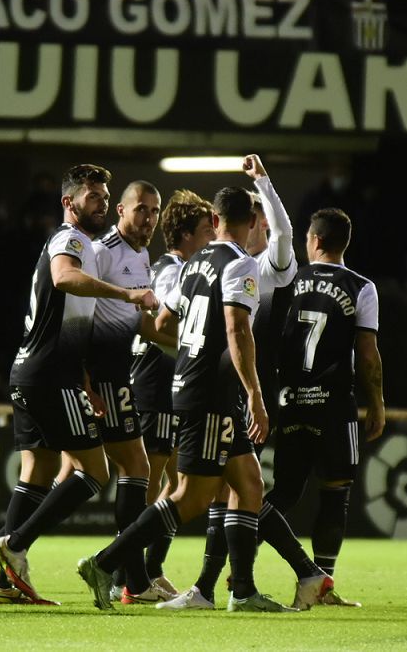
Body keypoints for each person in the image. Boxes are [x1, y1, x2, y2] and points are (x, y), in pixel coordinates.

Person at [79, 186, 295, 613]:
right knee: (191, 498)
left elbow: (161, 319)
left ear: (215, 221)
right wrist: (255, 396)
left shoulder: (193, 264)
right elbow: (237, 331)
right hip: (213, 395)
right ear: (251, 222)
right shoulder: (240, 265)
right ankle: (105, 563)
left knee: (249, 482)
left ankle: (243, 591)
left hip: (190, 384)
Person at [0, 164, 157, 605]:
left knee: (40, 471)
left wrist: (85, 382)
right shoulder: (72, 240)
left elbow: (74, 319)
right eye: (93, 197)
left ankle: (2, 575)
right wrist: (126, 294)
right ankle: (10, 547)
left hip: (36, 372)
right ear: (69, 203)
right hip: (49, 376)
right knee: (95, 472)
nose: (101, 203)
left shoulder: (80, 242)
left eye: (105, 196)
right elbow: (65, 276)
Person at [269, 207, 386, 608]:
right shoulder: (361, 287)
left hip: (290, 402)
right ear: (343, 242)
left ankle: (240, 573)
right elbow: (367, 355)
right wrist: (378, 405)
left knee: (280, 495)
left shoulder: (287, 280)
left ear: (314, 240)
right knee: (336, 494)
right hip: (334, 406)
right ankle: (322, 583)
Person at [87, 179, 177, 604]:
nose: (149, 218)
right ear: (121, 211)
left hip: (116, 374)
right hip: (95, 376)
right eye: (141, 208)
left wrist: (184, 345)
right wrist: (84, 383)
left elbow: (137, 322)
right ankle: (131, 578)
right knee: (129, 471)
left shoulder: (142, 257)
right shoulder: (101, 252)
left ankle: (130, 577)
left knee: (124, 472)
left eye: (155, 211)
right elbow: (77, 319)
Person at [129, 190, 215, 596]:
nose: (212, 238)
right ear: (183, 235)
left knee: (180, 479)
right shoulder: (171, 269)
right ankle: (124, 575)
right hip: (155, 377)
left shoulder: (194, 268)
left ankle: (150, 566)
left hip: (175, 379)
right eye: (204, 231)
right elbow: (158, 325)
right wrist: (201, 345)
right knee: (149, 477)